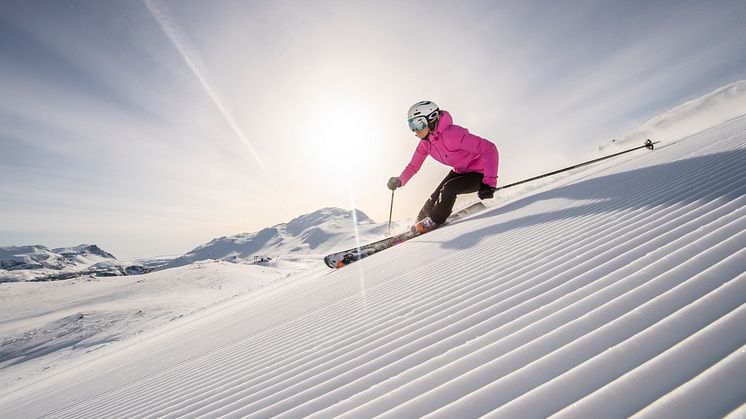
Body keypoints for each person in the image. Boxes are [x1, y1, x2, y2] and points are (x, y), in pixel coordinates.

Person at [388, 101, 499, 232]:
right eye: (411, 125)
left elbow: (489, 148)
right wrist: (400, 180)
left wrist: (489, 183)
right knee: (433, 198)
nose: (415, 131)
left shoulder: (453, 135)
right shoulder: (426, 143)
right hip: (460, 171)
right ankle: (420, 222)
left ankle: (434, 222)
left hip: (480, 173)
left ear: (432, 118)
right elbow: (413, 166)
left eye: (418, 124)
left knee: (448, 189)